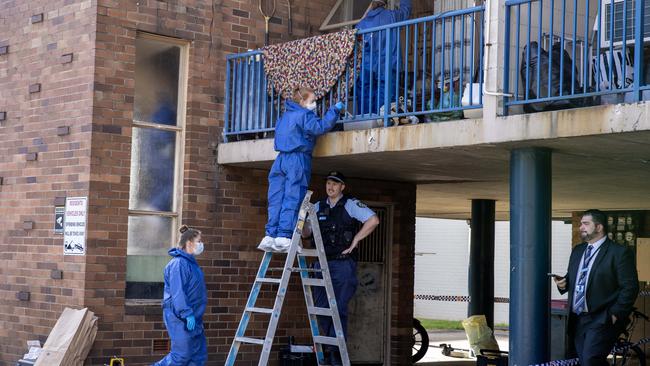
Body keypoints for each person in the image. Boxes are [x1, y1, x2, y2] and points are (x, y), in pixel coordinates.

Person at [302, 171, 380, 365]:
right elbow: (306, 233)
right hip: (321, 263)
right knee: (321, 308)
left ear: (342, 187)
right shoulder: (318, 206)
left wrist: (356, 239)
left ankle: (335, 353)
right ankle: (329, 347)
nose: (331, 187)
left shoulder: (350, 204)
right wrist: (301, 218)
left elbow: (373, 220)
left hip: (343, 263)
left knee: (337, 307)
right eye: (329, 183)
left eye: (335, 184)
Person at [259, 87, 345, 253]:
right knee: (293, 195)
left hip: (281, 159)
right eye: (312, 101)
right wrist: (334, 110)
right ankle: (284, 235)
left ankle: (270, 235)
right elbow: (319, 127)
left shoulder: (284, 116)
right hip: (297, 158)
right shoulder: (304, 115)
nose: (314, 104)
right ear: (302, 101)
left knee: (277, 197)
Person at [554, 209, 639, 366]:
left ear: (599, 227)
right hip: (577, 318)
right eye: (581, 224)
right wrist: (563, 283)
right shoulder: (578, 251)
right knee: (586, 361)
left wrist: (615, 314)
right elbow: (573, 277)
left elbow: (630, 287)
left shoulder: (619, 253)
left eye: (586, 224)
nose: (581, 228)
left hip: (602, 317)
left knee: (590, 360)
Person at [154, 225, 208, 366]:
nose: (201, 244)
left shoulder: (191, 264)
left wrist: (192, 314)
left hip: (194, 316)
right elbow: (178, 293)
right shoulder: (178, 264)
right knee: (181, 355)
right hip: (179, 316)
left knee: (197, 355)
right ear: (189, 243)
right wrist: (186, 313)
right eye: (199, 241)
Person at [355, 0, 412, 115]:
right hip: (388, 63)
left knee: (365, 97)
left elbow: (355, 39)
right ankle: (383, 121)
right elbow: (406, 10)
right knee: (385, 99)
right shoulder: (391, 16)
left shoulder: (362, 23)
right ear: (385, 4)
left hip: (367, 65)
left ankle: (366, 122)